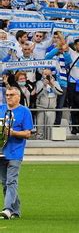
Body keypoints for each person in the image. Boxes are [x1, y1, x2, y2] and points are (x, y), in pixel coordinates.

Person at [0, 87, 33, 219]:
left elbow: (27, 133)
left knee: (11, 181)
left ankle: (7, 209)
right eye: (7, 95)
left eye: (11, 95)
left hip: (15, 151)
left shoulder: (24, 111)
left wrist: (12, 133)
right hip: (1, 151)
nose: (8, 97)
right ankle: (16, 210)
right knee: (5, 182)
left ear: (18, 97)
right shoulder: (1, 109)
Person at [35, 69, 63, 139]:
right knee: (40, 129)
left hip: (51, 109)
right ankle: (39, 145)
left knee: (49, 129)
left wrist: (53, 85)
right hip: (41, 109)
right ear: (42, 74)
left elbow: (60, 92)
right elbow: (37, 94)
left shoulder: (55, 82)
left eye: (48, 74)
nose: (47, 76)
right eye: (45, 74)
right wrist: (44, 86)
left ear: (51, 74)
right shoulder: (39, 83)